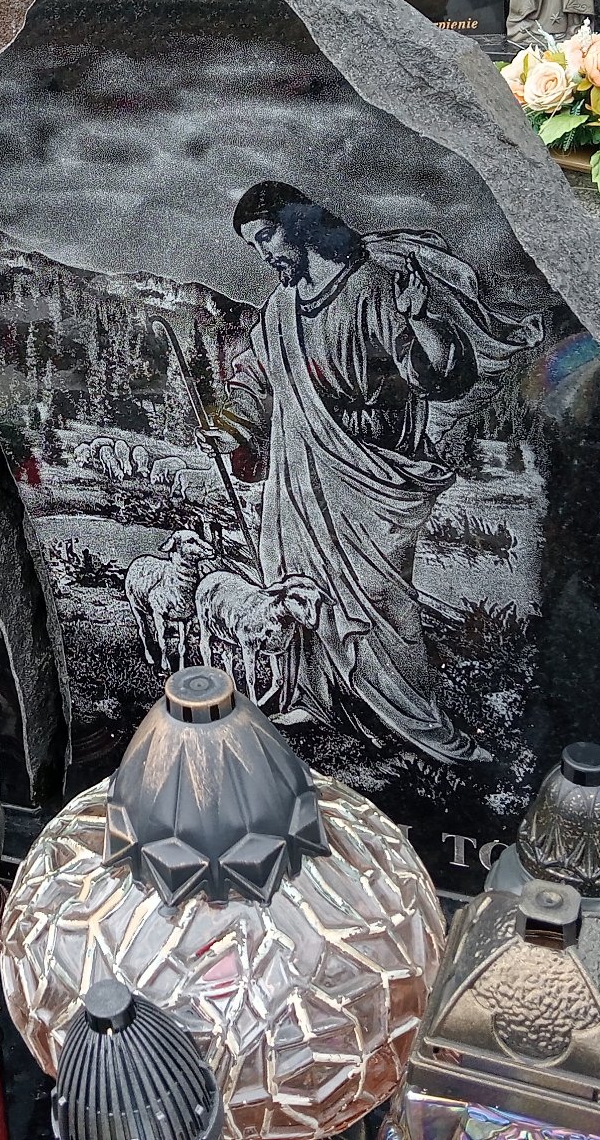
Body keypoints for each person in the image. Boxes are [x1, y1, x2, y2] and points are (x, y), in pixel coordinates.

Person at [210, 182, 540, 764]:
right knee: (302, 587)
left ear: (298, 225)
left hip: (373, 473)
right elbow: (256, 381)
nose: (263, 255)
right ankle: (315, 698)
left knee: (380, 600)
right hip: (301, 476)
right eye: (253, 246)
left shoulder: (372, 290)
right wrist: (231, 423)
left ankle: (420, 722)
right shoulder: (278, 312)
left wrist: (422, 319)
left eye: (267, 237)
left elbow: (443, 378)